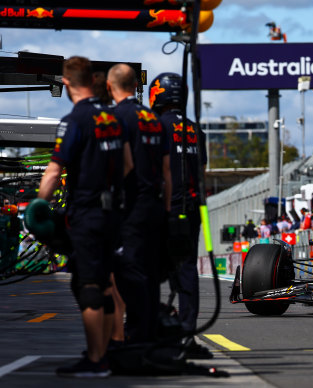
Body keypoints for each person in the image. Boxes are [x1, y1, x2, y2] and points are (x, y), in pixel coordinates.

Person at [37, 56, 130, 377]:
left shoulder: (74, 120)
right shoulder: (112, 118)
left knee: (88, 286)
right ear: (93, 80)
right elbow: (128, 165)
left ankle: (95, 360)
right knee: (104, 285)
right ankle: (102, 354)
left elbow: (53, 171)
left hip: (87, 214)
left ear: (66, 84)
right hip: (113, 215)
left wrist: (38, 205)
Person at [107, 64, 171, 344]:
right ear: (136, 85)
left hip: (130, 207)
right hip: (156, 206)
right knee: (151, 272)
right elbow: (167, 171)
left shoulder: (115, 117)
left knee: (128, 272)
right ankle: (151, 332)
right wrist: (167, 210)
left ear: (110, 87)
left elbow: (122, 163)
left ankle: (135, 335)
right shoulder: (154, 119)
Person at [149, 72, 208, 345]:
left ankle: (149, 326)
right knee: (187, 268)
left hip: (164, 207)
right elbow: (201, 169)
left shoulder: (155, 126)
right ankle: (187, 331)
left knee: (148, 266)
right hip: (193, 209)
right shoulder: (197, 130)